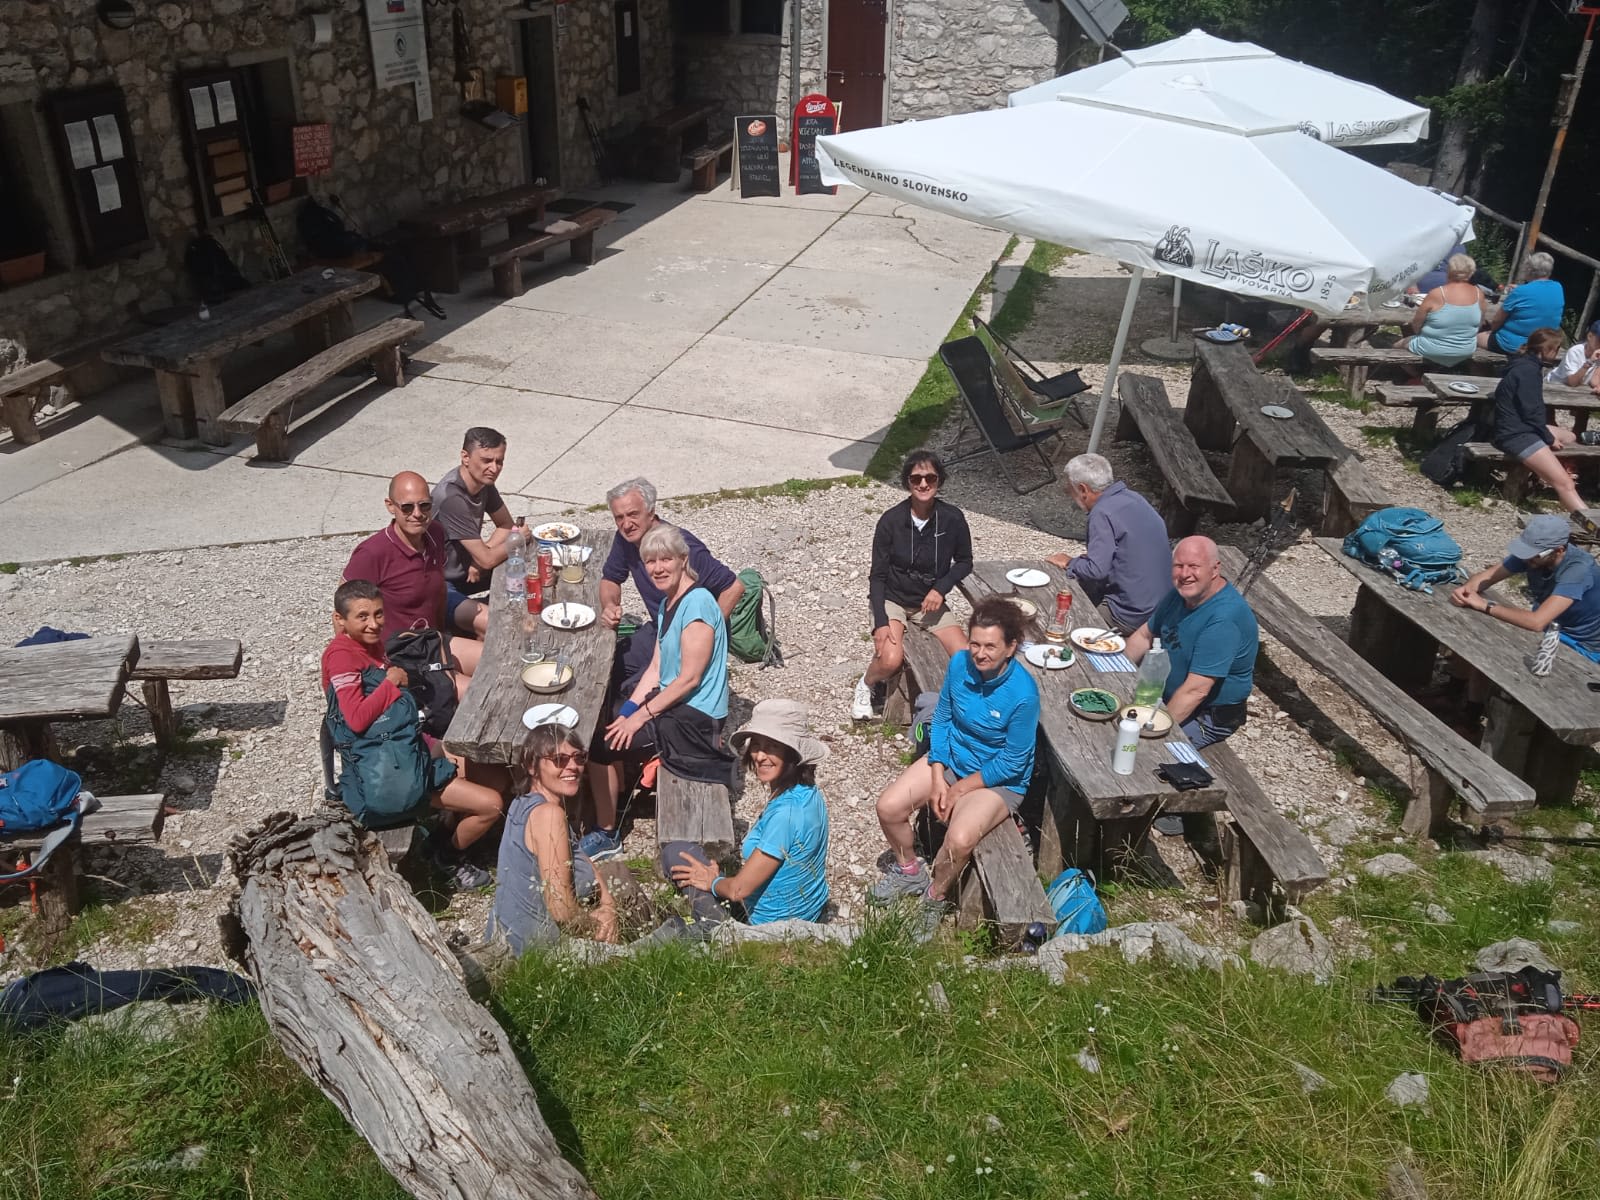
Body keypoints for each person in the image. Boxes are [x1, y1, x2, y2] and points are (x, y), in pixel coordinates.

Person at [321, 580, 505, 889]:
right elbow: (355, 719)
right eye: (362, 616)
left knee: (494, 769)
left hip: (403, 749)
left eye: (378, 614)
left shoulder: (367, 646)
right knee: (493, 803)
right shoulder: (342, 657)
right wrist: (391, 683)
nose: (374, 624)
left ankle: (444, 830)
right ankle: (446, 856)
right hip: (387, 771)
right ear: (339, 620)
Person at [870, 597, 1039, 916]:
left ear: (1011, 647)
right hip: (953, 759)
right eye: (975, 643)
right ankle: (909, 871)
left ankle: (936, 895)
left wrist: (959, 789)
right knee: (889, 807)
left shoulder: (1023, 694)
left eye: (990, 646)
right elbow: (944, 716)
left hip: (997, 781)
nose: (980, 653)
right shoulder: (961, 664)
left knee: (959, 839)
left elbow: (1013, 762)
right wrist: (938, 775)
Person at [592, 524, 735, 853]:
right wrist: (628, 711)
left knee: (600, 747)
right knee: (612, 718)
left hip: (696, 716)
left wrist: (639, 717)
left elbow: (689, 679)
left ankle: (607, 833)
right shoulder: (667, 603)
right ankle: (622, 785)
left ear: (683, 560)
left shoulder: (697, 604)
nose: (657, 568)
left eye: (665, 560)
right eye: (650, 562)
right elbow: (656, 669)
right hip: (672, 703)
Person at [665, 699, 831, 930]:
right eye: (757, 745)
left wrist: (713, 881)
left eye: (772, 746)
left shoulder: (786, 815)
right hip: (809, 912)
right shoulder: (808, 793)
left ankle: (714, 933)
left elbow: (738, 890)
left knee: (675, 853)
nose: (759, 755)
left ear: (793, 753)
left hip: (767, 930)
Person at [853, 450, 974, 720]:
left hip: (929, 602)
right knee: (890, 658)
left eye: (930, 478)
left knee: (965, 659)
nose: (923, 484)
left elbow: (965, 561)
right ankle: (867, 683)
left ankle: (957, 708)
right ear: (907, 482)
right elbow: (877, 576)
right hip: (893, 599)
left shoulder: (952, 518)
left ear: (939, 481)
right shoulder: (891, 521)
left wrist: (940, 588)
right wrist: (881, 621)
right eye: (916, 478)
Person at [484, 726, 628, 952]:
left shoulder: (523, 802)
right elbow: (562, 911)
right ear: (532, 766)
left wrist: (608, 903)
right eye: (559, 759)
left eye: (579, 758)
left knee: (619, 876)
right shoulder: (549, 815)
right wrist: (601, 926)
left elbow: (578, 852)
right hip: (538, 955)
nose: (573, 767)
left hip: (506, 940)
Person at [342, 471, 480, 701]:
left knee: (499, 662)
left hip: (432, 641)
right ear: (390, 506)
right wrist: (359, 673)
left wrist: (442, 633)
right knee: (479, 694)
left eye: (424, 506)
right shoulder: (373, 553)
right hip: (399, 656)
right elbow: (342, 614)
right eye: (407, 507)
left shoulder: (434, 532)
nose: (417, 514)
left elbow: (438, 592)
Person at [1125, 535, 1258, 749]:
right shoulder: (1179, 596)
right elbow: (1143, 636)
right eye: (1179, 566)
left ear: (1215, 570)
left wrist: (1149, 730)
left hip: (1206, 714)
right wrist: (1114, 675)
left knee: (1146, 751)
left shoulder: (1224, 618)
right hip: (1164, 692)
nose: (1185, 574)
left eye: (1194, 566)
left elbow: (1196, 691)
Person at [1045, 453, 1171, 634]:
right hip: (1164, 605)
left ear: (1083, 489)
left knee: (1068, 623)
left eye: (1069, 491)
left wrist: (1069, 562)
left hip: (1132, 613)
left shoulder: (1101, 514)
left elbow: (1096, 570)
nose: (1069, 495)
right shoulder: (1135, 499)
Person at [1449, 515, 1600, 663]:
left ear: (1559, 550)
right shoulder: (1536, 556)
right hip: (1548, 626)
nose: (1526, 559)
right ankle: (1459, 682)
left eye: (1533, 555)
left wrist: (1484, 605)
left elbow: (1536, 622)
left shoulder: (1578, 570)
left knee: (1492, 647)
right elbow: (1486, 578)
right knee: (1479, 632)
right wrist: (1466, 592)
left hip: (1579, 645)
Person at [1486, 327, 1589, 524]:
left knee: (1570, 437)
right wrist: (1548, 439)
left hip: (1520, 426)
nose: (1557, 353)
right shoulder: (1528, 372)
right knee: (1564, 484)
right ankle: (1590, 524)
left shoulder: (1523, 364)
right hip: (1516, 434)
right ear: (1547, 350)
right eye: (1557, 348)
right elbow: (1532, 413)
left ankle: (1547, 468)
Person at [432, 427, 516, 639]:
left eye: (499, 461)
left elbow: (506, 525)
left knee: (530, 571)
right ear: (465, 457)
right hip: (438, 583)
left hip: (465, 571)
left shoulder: (483, 483)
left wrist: (481, 557)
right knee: (494, 625)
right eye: (487, 460)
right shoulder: (451, 497)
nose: (494, 468)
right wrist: (518, 539)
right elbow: (507, 540)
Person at [1406, 253, 1490, 369]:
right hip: (1465, 349)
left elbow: (1416, 325)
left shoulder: (1437, 293)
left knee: (1398, 344)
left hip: (1432, 348)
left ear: (1449, 270)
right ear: (1471, 272)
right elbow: (1480, 324)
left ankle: (1416, 375)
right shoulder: (1478, 294)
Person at [1480, 253, 1564, 355]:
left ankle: (1480, 371)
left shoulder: (1521, 292)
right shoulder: (1558, 287)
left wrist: (1492, 330)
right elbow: (1538, 293)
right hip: (1544, 343)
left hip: (1515, 344)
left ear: (1530, 270)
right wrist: (1520, 289)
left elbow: (1497, 321)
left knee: (1474, 337)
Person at [1547, 319, 1600, 391]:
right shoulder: (1575, 352)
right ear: (1590, 336)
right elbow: (1572, 382)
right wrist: (1589, 362)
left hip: (1576, 391)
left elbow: (1594, 382)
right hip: (1552, 387)